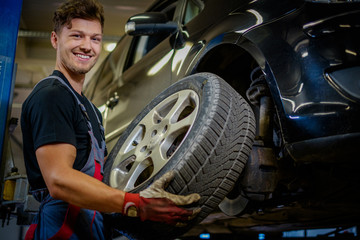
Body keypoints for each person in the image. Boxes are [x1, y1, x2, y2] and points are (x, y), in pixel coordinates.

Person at [21, 0, 200, 239]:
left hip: (92, 224)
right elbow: (59, 180)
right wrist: (137, 204)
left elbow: (103, 176)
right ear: (55, 39)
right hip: (61, 228)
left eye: (95, 39)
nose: (87, 46)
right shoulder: (52, 95)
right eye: (77, 36)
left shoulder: (91, 110)